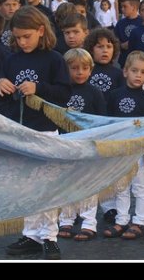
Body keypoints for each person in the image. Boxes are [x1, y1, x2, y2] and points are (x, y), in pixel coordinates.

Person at [1, 7, 71, 260]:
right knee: (28, 186)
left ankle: (49, 236)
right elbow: (3, 90)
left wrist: (38, 88)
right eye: (18, 37)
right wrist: (0, 83)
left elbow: (64, 93)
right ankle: (30, 235)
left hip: (46, 129)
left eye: (27, 36)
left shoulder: (54, 59)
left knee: (48, 186)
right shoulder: (11, 59)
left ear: (41, 31)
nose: (22, 42)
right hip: (21, 130)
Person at [102, 51, 144, 240]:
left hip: (138, 151)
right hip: (118, 149)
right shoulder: (114, 95)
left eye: (143, 72)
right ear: (125, 72)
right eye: (134, 70)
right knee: (120, 186)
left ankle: (140, 221)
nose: (138, 75)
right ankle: (122, 219)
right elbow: (107, 123)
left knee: (139, 186)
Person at [57, 49, 106, 242]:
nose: (80, 72)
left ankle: (88, 223)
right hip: (66, 144)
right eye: (74, 68)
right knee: (66, 183)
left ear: (91, 70)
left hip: (88, 146)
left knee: (88, 185)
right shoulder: (60, 91)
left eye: (85, 68)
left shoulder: (95, 93)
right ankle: (66, 220)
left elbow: (102, 121)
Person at [83, 28, 125, 94]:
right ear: (91, 49)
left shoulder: (119, 74)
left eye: (109, 47)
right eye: (100, 47)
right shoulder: (84, 71)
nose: (105, 50)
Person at [114, 0, 141, 67]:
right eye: (121, 6)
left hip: (140, 60)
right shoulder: (120, 23)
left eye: (125, 6)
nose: (122, 9)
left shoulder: (142, 22)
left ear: (133, 7)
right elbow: (114, 40)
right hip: (125, 60)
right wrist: (121, 45)